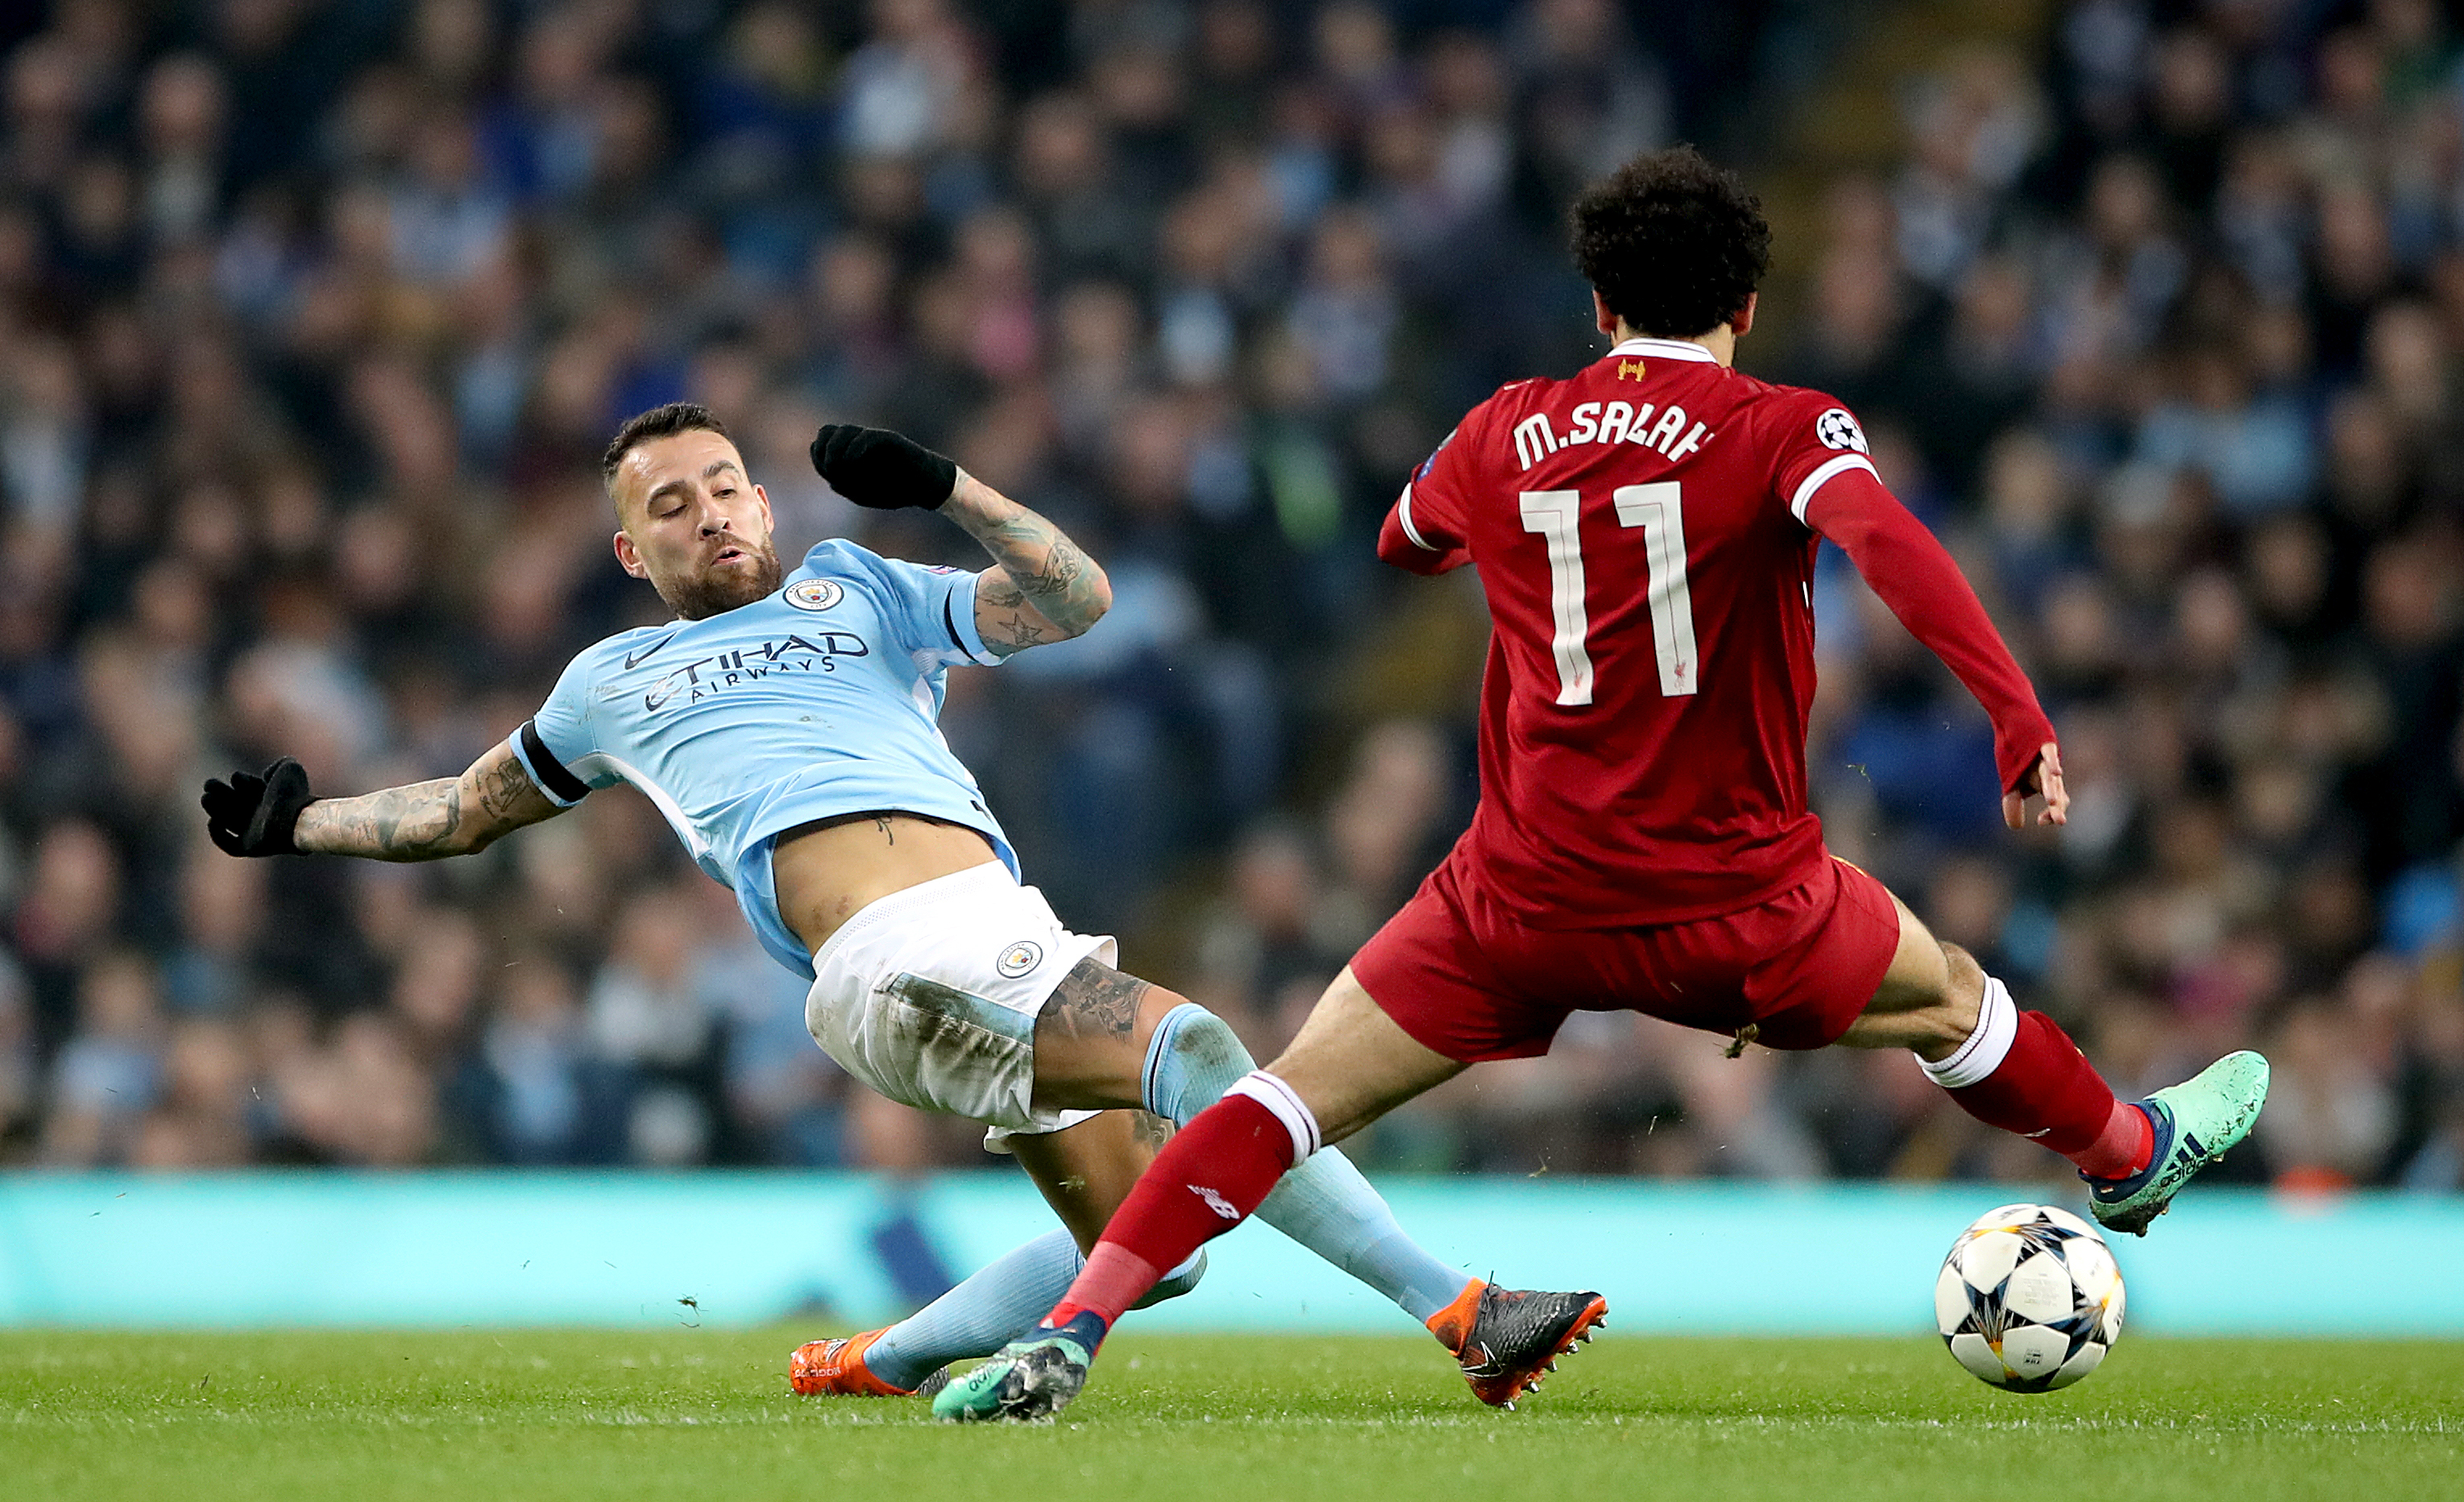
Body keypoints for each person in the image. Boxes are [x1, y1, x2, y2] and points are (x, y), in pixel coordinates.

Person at [936, 147, 2271, 1423]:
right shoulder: (1784, 428)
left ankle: (1074, 1329)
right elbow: (1888, 539)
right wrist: (2013, 712)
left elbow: (1407, 542)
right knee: (1953, 1001)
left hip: (1519, 901)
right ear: (1748, 302)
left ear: (1597, 303)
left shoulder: (1505, 427)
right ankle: (2120, 1154)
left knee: (1279, 1103)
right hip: (1742, 902)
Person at [201, 404, 1602, 1407]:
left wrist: (948, 481)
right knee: (1201, 1058)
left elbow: (1075, 602)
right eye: (669, 505)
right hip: (894, 952)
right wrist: (300, 825)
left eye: (726, 483)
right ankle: (1462, 1310)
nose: (711, 512)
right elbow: (459, 809)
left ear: (764, 497)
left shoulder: (853, 585)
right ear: (634, 553)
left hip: (1003, 929)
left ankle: (881, 1359)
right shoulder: (606, 685)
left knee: (1148, 1239)